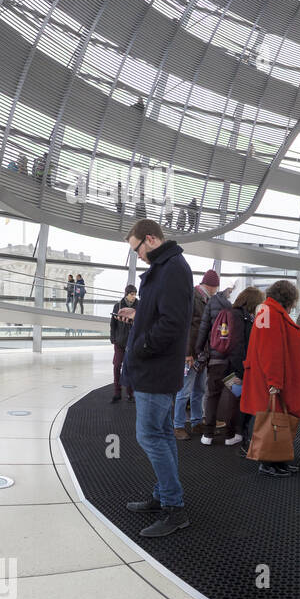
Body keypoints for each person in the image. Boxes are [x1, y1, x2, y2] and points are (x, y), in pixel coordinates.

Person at [115, 220, 196, 537]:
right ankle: (164, 496)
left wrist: (142, 349)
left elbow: (173, 323)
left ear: (150, 238)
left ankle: (174, 508)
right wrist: (140, 314)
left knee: (149, 436)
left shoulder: (172, 268)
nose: (138, 256)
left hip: (156, 369)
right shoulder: (166, 267)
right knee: (161, 435)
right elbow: (162, 312)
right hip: (157, 368)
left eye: (137, 249)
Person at [241, 280, 300, 476]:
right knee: (274, 421)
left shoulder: (270, 312)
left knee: (280, 421)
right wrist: (274, 382)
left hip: (280, 378)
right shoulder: (270, 313)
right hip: (276, 380)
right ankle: (268, 462)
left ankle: (279, 460)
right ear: (289, 299)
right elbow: (270, 351)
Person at [204, 286, 261, 446]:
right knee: (232, 398)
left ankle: (207, 435)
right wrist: (240, 371)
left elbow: (206, 331)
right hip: (230, 365)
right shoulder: (242, 317)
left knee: (212, 396)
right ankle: (230, 436)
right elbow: (238, 345)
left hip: (215, 360)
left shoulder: (226, 312)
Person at [175, 273, 221, 439]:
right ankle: (178, 426)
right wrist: (187, 353)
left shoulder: (205, 300)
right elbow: (186, 327)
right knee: (184, 391)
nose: (216, 291)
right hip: (191, 354)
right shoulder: (193, 297)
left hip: (202, 354)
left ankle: (196, 422)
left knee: (199, 390)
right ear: (210, 286)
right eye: (215, 288)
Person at [107, 284, 138, 403]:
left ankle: (131, 393)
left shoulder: (139, 306)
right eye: (132, 294)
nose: (134, 297)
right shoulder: (118, 306)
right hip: (119, 342)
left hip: (132, 343)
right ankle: (117, 393)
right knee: (117, 365)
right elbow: (112, 324)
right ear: (126, 294)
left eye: (135, 294)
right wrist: (113, 338)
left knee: (130, 367)